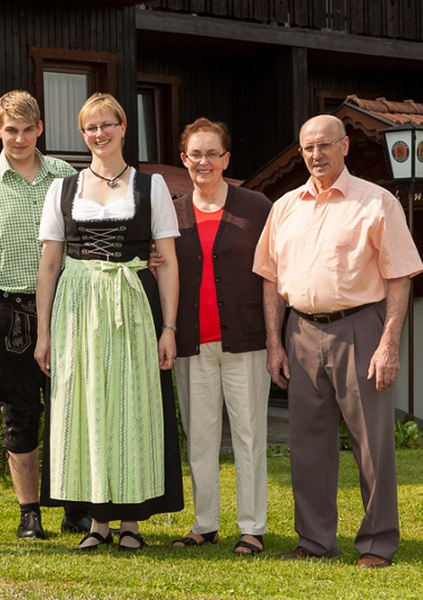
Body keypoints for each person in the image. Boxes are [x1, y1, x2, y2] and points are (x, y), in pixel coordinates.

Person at [252, 114, 423, 568]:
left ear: (345, 146)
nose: (316, 155)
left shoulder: (377, 202)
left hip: (359, 329)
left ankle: (377, 543)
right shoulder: (284, 206)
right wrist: (274, 341)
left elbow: (400, 276)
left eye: (325, 145)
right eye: (308, 147)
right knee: (307, 444)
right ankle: (314, 540)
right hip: (301, 331)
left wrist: (389, 342)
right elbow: (269, 279)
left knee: (372, 442)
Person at [35, 92, 184, 551]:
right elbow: (48, 263)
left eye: (108, 124)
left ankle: (132, 522)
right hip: (78, 307)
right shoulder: (63, 188)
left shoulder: (151, 186)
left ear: (123, 127)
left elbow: (169, 262)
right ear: (83, 135)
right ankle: (97, 520)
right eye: (91, 127)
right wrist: (43, 332)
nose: (100, 134)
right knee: (86, 404)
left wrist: (169, 327)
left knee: (132, 403)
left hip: (131, 304)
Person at [0, 90, 90, 539]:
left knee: (70, 408)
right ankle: (29, 512)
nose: (19, 138)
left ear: (40, 130)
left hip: (65, 306)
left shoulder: (67, 177)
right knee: (19, 411)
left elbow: (88, 239)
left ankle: (76, 507)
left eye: (27, 130)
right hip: (2, 309)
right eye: (10, 129)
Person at [169, 118, 272, 555]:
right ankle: (205, 523)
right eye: (196, 154)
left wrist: (276, 337)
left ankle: (252, 527)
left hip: (246, 340)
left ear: (227, 159)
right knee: (201, 435)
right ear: (184, 159)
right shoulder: (171, 211)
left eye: (213, 153)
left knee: (249, 435)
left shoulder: (256, 207)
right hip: (192, 342)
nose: (204, 161)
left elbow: (273, 273)